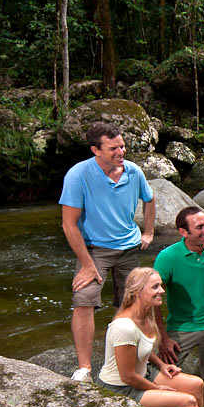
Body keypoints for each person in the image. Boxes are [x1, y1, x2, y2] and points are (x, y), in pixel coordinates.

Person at [60, 122, 155, 383]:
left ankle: (125, 365)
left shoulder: (134, 172)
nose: (121, 151)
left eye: (122, 146)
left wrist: (148, 233)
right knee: (84, 299)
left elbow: (150, 198)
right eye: (114, 148)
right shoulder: (78, 175)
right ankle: (84, 368)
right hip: (94, 250)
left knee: (133, 306)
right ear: (96, 150)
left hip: (128, 249)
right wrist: (87, 265)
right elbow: (69, 224)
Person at [153, 206, 204, 406]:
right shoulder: (167, 257)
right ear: (183, 232)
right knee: (163, 375)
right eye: (200, 227)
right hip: (180, 327)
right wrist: (163, 337)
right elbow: (152, 298)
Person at [96, 267, 204, 407]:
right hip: (121, 389)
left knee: (197, 384)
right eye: (155, 287)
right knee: (188, 402)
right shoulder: (124, 327)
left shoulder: (147, 314)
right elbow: (127, 376)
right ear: (137, 292)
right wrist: (156, 388)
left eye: (160, 285)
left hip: (142, 374)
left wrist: (162, 365)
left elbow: (141, 347)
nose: (162, 291)